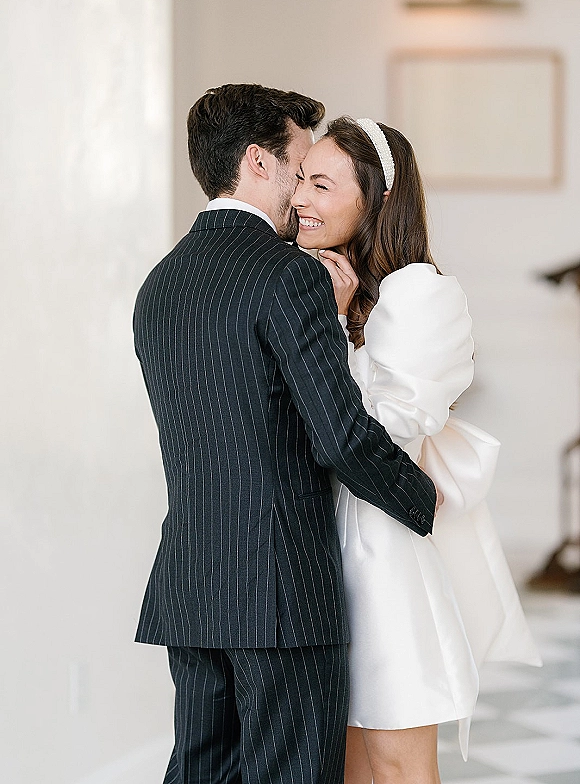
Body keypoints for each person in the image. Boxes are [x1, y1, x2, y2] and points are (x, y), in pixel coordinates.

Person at [133, 85, 438, 784]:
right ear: (257, 163)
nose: (303, 189)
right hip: (281, 593)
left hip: (190, 583)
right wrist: (419, 498)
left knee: (200, 772)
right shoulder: (288, 275)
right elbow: (337, 436)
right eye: (300, 167)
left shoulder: (160, 284)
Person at [292, 116, 541, 784]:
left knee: (395, 761)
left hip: (384, 557)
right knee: (343, 760)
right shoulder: (322, 284)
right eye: (299, 181)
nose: (301, 200)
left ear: (374, 200)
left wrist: (334, 330)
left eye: (321, 184)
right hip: (323, 549)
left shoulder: (419, 291)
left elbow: (390, 429)